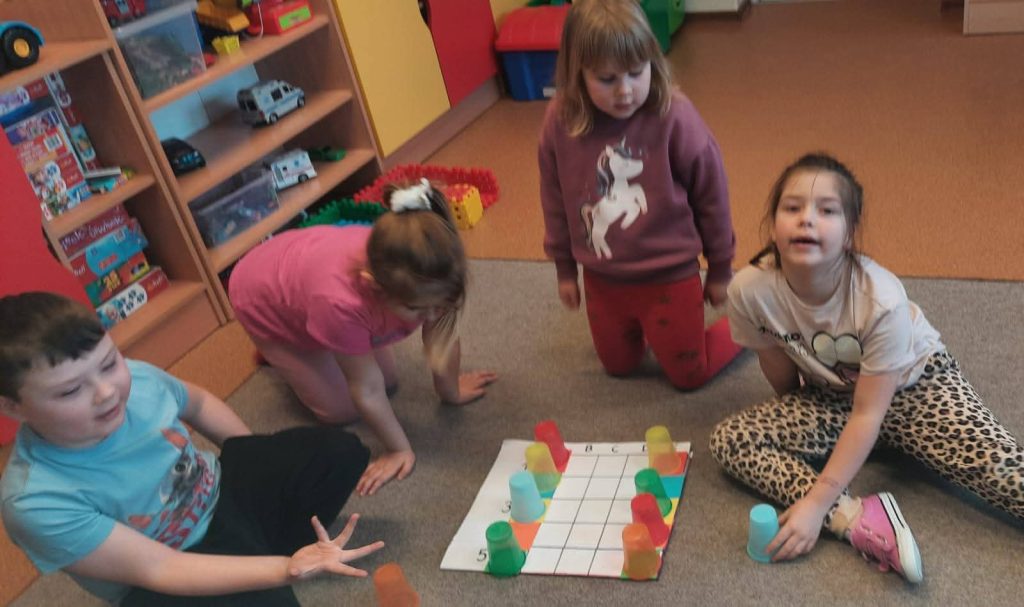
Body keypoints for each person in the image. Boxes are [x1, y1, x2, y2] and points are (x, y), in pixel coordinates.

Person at [710, 152, 1024, 583]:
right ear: (773, 223)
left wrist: (815, 502)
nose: (807, 219)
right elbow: (777, 365)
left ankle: (843, 484)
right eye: (792, 207)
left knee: (1004, 474)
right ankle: (857, 517)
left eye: (827, 211)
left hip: (916, 387)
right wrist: (800, 421)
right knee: (732, 441)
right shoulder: (749, 290)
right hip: (836, 395)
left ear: (849, 233)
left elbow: (868, 414)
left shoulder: (881, 299)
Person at [0, 292, 382, 606]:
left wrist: (257, 456)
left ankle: (264, 551)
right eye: (70, 391)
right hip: (169, 565)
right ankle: (268, 560)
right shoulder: (35, 501)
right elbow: (159, 569)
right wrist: (284, 569)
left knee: (339, 452)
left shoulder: (137, 380)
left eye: (109, 363)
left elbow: (196, 404)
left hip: (219, 493)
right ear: (11, 407)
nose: (106, 392)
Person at [229, 179, 497, 496]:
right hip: (264, 301)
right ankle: (277, 349)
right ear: (375, 288)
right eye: (417, 309)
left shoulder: (428, 268)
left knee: (389, 381)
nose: (432, 316)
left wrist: (450, 390)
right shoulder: (341, 303)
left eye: (439, 305)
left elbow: (441, 335)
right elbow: (367, 389)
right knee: (342, 410)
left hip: (302, 268)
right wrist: (398, 449)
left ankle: (320, 345)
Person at [538, 0, 742, 390]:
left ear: (653, 61)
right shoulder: (560, 119)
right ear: (577, 74)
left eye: (636, 72)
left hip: (670, 276)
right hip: (602, 278)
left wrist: (720, 268)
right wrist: (565, 269)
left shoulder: (675, 114)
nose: (625, 91)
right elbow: (554, 198)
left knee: (689, 376)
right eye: (607, 78)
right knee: (618, 367)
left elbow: (712, 195)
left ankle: (754, 322)